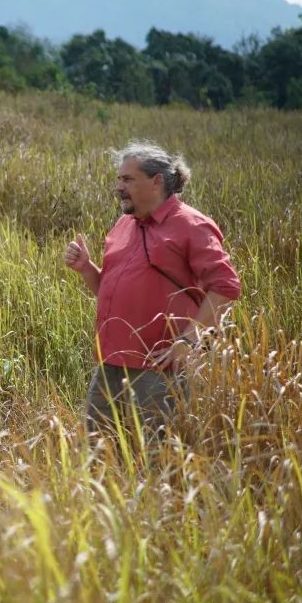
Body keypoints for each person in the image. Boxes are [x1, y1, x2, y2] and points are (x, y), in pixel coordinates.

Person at [64, 142, 241, 438]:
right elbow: (111, 291)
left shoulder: (191, 225)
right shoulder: (124, 224)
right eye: (119, 179)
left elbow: (225, 286)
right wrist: (86, 268)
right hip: (111, 364)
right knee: (98, 452)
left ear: (156, 181)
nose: (118, 187)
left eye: (127, 179)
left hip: (161, 369)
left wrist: (190, 338)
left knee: (156, 459)